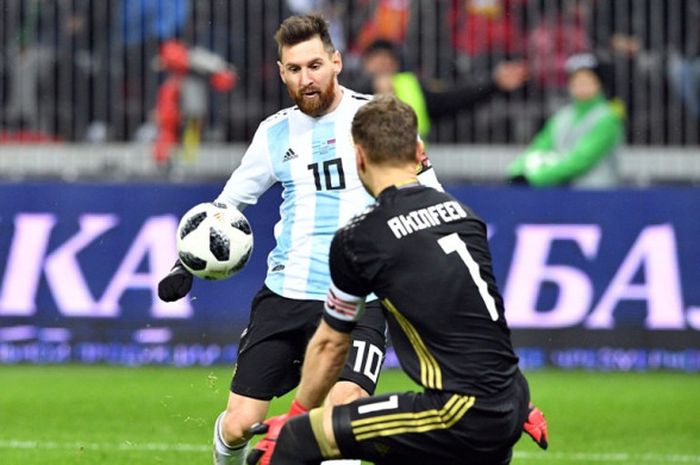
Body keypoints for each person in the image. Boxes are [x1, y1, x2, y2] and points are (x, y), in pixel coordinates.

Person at [157, 14, 442, 465]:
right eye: (294, 69)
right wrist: (184, 265)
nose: (306, 79)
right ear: (281, 72)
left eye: (314, 66)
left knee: (340, 419)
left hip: (359, 299)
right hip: (286, 295)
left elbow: (428, 197)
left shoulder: (376, 120)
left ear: (336, 62)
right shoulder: (275, 133)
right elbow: (227, 206)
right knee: (238, 426)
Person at [247, 94, 548, 465]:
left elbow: (330, 346)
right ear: (420, 151)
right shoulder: (462, 216)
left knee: (294, 438)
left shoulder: (362, 237)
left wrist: (295, 415)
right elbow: (482, 324)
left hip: (457, 411)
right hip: (509, 397)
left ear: (358, 157)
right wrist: (519, 400)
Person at [356, 39, 528, 139]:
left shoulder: (409, 85)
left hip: (408, 173)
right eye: (377, 61)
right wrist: (371, 86)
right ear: (365, 64)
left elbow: (452, 99)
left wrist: (494, 83)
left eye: (388, 61)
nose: (384, 65)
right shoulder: (345, 87)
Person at [507, 53, 624, 188]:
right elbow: (539, 147)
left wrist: (535, 178)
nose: (581, 87)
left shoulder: (608, 117)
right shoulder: (562, 116)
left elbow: (581, 159)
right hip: (563, 193)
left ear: (599, 84)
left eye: (587, 81)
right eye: (577, 82)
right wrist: (517, 169)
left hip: (598, 194)